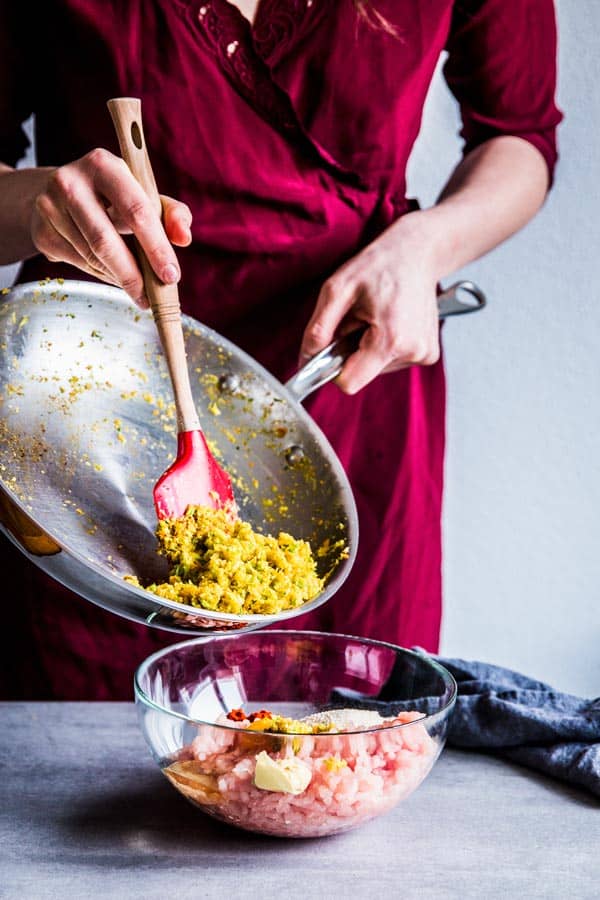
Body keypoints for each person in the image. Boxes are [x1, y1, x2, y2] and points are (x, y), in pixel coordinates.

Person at [0, 1, 561, 700]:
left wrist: (427, 247)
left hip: (353, 397)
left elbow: (519, 136)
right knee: (70, 772)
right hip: (86, 434)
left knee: (339, 759)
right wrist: (32, 208)